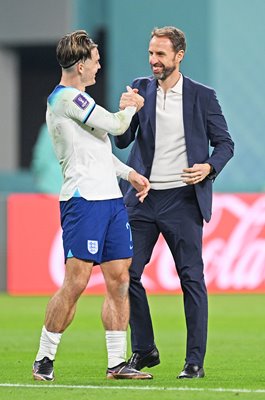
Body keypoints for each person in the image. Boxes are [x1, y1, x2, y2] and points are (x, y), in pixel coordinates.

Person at [32, 30, 153, 381]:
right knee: (77, 282)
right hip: (83, 202)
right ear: (81, 65)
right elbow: (115, 125)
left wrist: (129, 173)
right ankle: (45, 357)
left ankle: (116, 363)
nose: (99, 66)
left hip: (111, 202)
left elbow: (101, 154)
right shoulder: (67, 99)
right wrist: (129, 108)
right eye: (96, 61)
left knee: (118, 280)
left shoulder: (80, 102)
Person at [115, 26, 234, 378]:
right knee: (126, 274)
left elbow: (225, 144)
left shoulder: (202, 96)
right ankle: (144, 349)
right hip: (142, 198)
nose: (154, 61)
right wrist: (126, 113)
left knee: (191, 278)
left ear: (179, 56)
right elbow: (123, 142)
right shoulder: (139, 88)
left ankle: (194, 361)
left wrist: (209, 167)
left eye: (161, 55)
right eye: (151, 53)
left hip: (182, 199)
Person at [31, 123, 63, 194]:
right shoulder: (86, 127)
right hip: (78, 191)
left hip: (50, 187)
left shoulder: (51, 126)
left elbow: (41, 159)